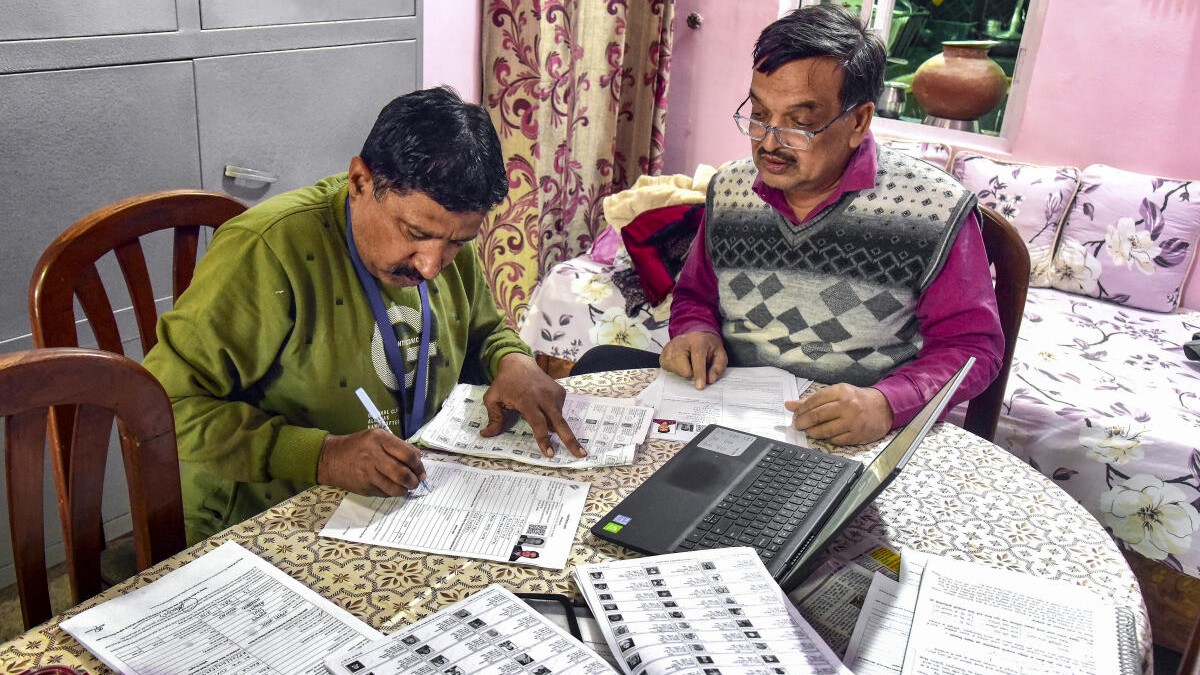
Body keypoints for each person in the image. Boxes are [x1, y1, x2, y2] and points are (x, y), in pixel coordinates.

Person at [144, 86, 585, 544]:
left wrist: (512, 360)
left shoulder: (440, 237)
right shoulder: (268, 251)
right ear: (360, 182)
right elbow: (165, 408)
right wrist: (323, 455)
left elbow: (482, 329)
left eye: (457, 243)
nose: (431, 265)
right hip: (270, 518)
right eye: (415, 233)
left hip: (402, 500)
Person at [658, 4, 1004, 446]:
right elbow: (695, 295)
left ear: (859, 120)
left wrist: (887, 403)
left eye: (800, 124)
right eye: (759, 114)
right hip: (729, 415)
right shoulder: (729, 189)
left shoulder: (933, 209)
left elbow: (973, 348)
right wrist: (695, 331)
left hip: (854, 437)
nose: (768, 142)